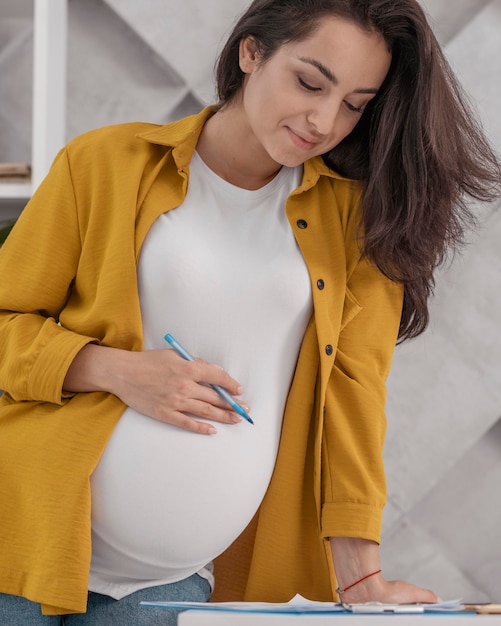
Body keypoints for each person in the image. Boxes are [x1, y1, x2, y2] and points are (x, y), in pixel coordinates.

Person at [0, 0, 499, 623]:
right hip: (21, 540)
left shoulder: (357, 226)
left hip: (174, 584)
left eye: (354, 104)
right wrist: (115, 370)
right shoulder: (104, 164)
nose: (323, 120)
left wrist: (362, 576)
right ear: (252, 52)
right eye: (310, 82)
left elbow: (354, 401)